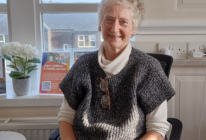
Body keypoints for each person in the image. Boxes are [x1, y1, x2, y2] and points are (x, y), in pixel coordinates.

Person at [58, 0, 175, 140]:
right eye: (109, 19)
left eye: (123, 22)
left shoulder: (149, 68)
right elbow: (66, 117)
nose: (114, 28)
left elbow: (157, 129)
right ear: (100, 24)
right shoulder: (83, 65)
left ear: (134, 29)